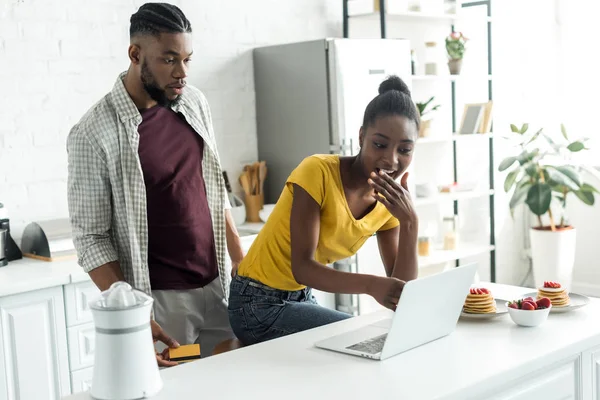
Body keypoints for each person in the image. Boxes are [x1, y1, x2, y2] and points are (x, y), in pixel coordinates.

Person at [66, 3, 244, 364]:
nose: (182, 73)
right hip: (165, 306)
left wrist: (240, 255)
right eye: (169, 60)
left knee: (230, 383)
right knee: (180, 387)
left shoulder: (194, 102)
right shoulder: (93, 133)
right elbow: (91, 239)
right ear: (135, 54)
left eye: (187, 60)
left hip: (219, 286)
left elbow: (213, 188)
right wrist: (135, 315)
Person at [228, 75, 420, 345]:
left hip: (299, 298)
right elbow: (303, 268)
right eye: (380, 144)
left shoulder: (390, 202)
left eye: (405, 149)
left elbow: (403, 293)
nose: (391, 159)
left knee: (374, 344)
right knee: (363, 341)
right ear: (362, 136)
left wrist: (410, 223)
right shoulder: (317, 171)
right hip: (255, 302)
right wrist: (371, 285)